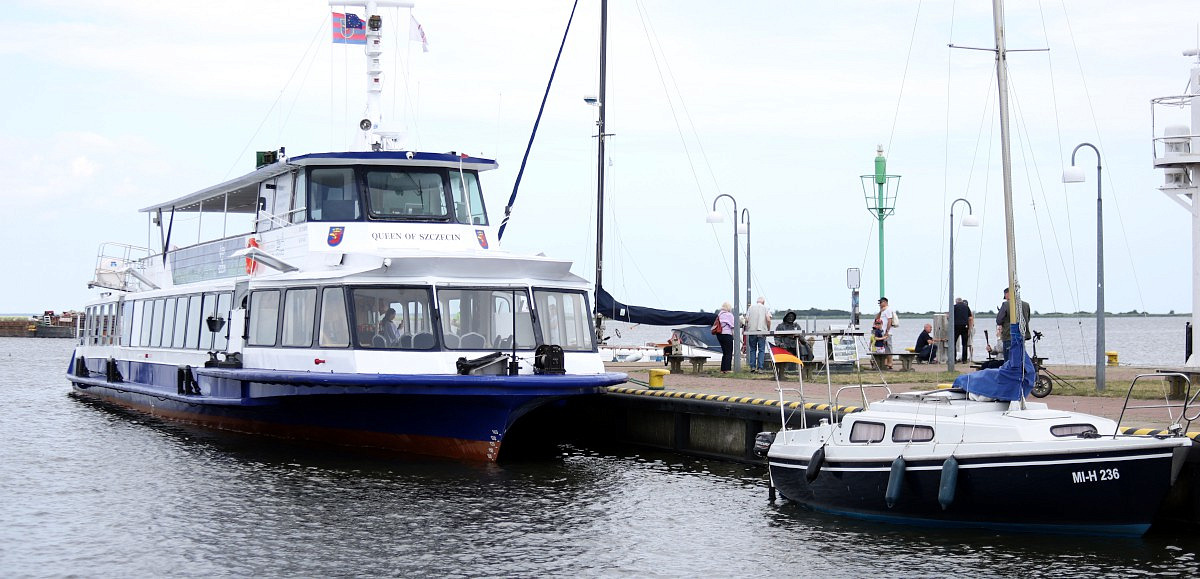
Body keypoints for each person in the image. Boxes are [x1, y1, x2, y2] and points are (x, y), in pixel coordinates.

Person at [744, 297, 771, 372]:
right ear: (763, 302)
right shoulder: (766, 308)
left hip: (752, 331)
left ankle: (752, 366)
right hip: (762, 331)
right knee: (761, 350)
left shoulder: (750, 308)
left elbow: (746, 319)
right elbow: (768, 319)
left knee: (752, 349)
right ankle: (760, 367)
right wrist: (768, 329)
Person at [715, 302, 736, 373]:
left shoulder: (719, 314)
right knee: (729, 352)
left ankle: (722, 369)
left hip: (719, 335)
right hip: (727, 334)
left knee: (724, 352)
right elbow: (733, 326)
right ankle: (727, 369)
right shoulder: (729, 315)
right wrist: (734, 336)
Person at [953, 297, 973, 363]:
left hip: (956, 327)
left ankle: (954, 359)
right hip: (965, 326)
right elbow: (970, 318)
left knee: (953, 343)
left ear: (956, 302)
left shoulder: (954, 307)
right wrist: (970, 329)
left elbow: (949, 316)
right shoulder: (966, 307)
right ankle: (964, 360)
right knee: (964, 344)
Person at [877, 297, 895, 367]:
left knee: (888, 347)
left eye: (880, 302)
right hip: (882, 332)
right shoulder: (883, 311)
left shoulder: (888, 310)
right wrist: (880, 311)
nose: (879, 304)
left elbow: (889, 321)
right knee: (883, 347)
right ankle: (885, 362)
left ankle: (890, 362)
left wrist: (887, 331)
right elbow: (877, 318)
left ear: (885, 302)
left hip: (887, 332)